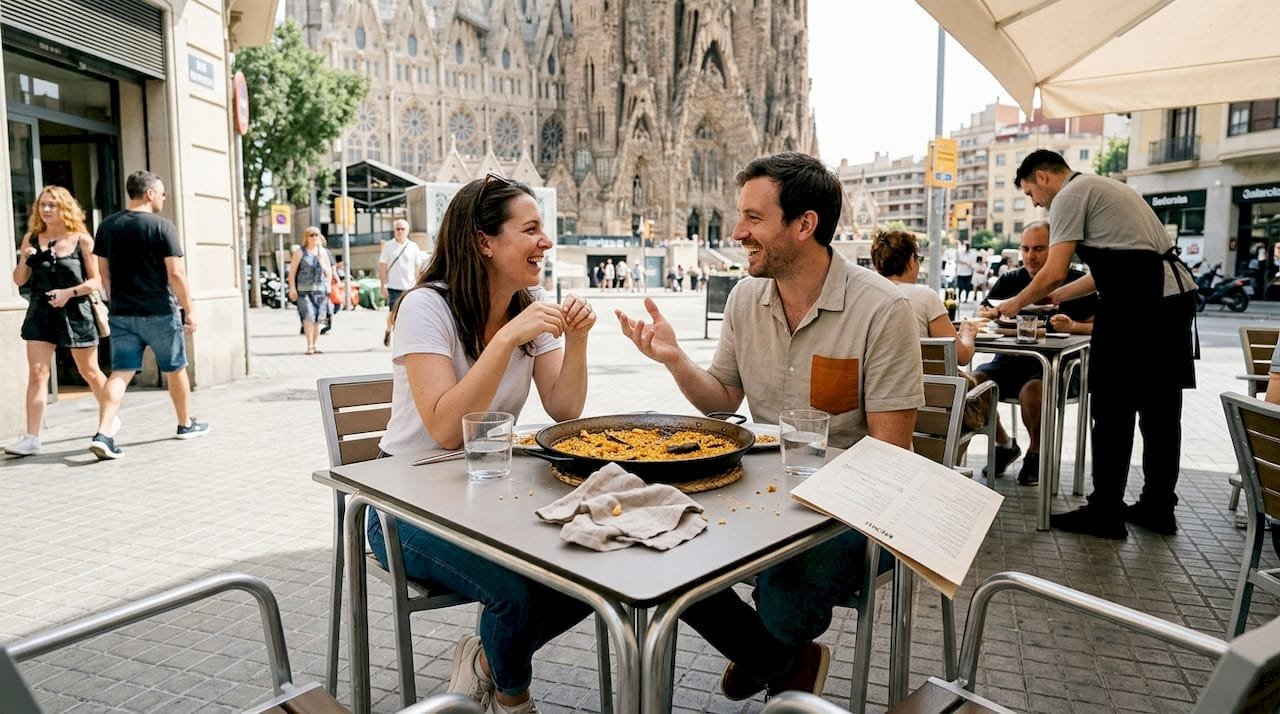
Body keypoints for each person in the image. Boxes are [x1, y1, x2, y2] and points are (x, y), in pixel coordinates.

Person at [615, 152, 923, 699]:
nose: (737, 232)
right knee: (658, 546)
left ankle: (771, 649)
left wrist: (803, 504)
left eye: (754, 219)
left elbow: (891, 454)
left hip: (851, 512)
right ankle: (778, 660)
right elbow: (722, 398)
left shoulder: (882, 309)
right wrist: (674, 359)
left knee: (785, 599)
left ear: (804, 225)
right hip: (764, 495)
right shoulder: (745, 297)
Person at [375, 173, 596, 712]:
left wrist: (579, 341)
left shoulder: (531, 303)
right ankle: (511, 697)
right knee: (515, 593)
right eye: (531, 229)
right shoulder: (426, 306)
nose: (546, 241)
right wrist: (505, 339)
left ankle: (484, 661)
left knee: (595, 569)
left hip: (487, 496)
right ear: (484, 241)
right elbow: (446, 430)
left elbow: (564, 409)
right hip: (401, 506)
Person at [998, 150, 1196, 538]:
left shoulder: (1069, 195)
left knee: (1112, 407)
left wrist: (1013, 304)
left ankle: (1105, 511)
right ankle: (1158, 507)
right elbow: (1110, 271)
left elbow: (1054, 270)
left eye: (1029, 194)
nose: (1035, 203)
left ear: (1042, 177)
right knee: (1160, 411)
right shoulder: (1103, 186)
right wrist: (1052, 298)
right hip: (1170, 298)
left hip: (1139, 302)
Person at [89, 170, 210, 460]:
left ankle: (103, 433)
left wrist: (115, 300)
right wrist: (190, 310)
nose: (165, 198)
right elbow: (176, 273)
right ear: (150, 194)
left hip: (122, 312)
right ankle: (185, 424)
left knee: (120, 373)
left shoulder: (107, 226)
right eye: (162, 192)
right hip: (159, 312)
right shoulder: (162, 227)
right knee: (175, 368)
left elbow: (104, 274)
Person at [976, 222, 1099, 485]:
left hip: (1060, 367)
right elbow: (985, 312)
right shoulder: (1010, 279)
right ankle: (1004, 444)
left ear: (1055, 250)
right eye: (1026, 248)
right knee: (973, 384)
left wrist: (1074, 326)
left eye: (1039, 249)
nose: (1030, 256)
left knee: (1033, 392)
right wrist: (988, 316)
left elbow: (1100, 326)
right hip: (1010, 361)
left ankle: (1036, 452)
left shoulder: (1078, 281)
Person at [5, 187, 109, 456]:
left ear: (65, 208)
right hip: (41, 312)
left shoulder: (82, 240)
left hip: (76, 311)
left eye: (52, 205)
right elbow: (19, 280)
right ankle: (32, 438)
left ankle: (109, 420)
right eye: (42, 204)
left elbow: (96, 281)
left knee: (89, 372)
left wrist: (68, 293)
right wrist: (25, 259)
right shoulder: (32, 237)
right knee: (38, 374)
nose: (46, 209)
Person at [871, 229, 982, 366]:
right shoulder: (925, 296)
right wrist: (967, 333)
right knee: (985, 374)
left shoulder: (868, 297)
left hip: (879, 385)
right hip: (925, 386)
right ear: (911, 261)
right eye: (919, 259)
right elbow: (962, 356)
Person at [287, 227, 332, 354]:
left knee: (319, 318)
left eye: (317, 235)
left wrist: (329, 285)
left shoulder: (323, 253)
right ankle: (309, 345)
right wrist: (292, 288)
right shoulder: (300, 252)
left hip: (321, 290)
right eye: (311, 235)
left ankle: (316, 344)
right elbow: (292, 273)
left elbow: (329, 272)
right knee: (308, 317)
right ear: (306, 237)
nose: (314, 237)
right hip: (304, 290)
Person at [379, 219, 422, 346]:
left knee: (408, 312)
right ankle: (389, 329)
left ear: (407, 231)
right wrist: (383, 285)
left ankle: (404, 336)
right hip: (393, 286)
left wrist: (418, 284)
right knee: (393, 313)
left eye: (402, 229)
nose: (400, 232)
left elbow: (418, 267)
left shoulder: (413, 247)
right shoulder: (388, 246)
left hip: (409, 286)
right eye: (397, 229)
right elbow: (382, 266)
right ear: (394, 231)